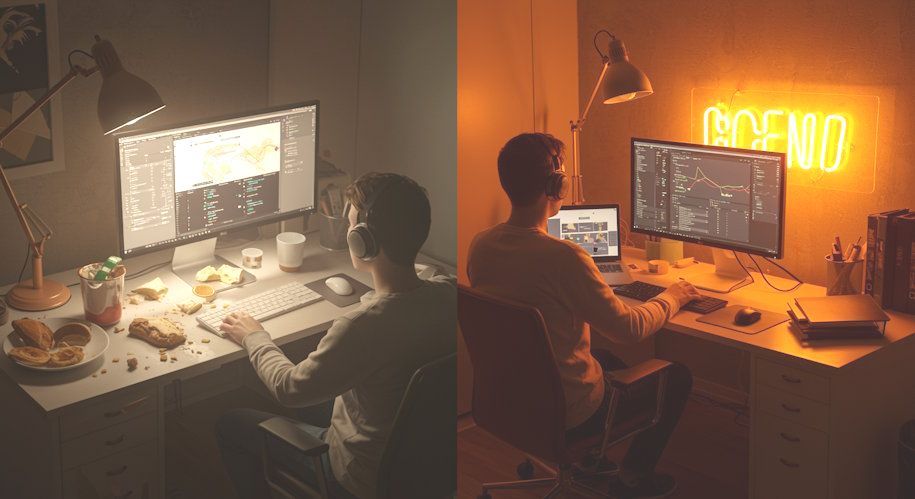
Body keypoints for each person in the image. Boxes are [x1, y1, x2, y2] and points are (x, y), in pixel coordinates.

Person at [467, 132, 699, 498]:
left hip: (510, 399)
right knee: (676, 376)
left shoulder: (481, 244)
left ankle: (588, 460)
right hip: (569, 413)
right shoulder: (565, 258)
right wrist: (674, 296)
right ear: (556, 185)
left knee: (604, 358)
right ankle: (632, 479)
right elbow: (629, 327)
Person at [216, 172, 456, 499]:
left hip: (358, 477)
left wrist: (254, 337)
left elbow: (289, 388)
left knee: (230, 423)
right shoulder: (451, 295)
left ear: (363, 241)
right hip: (426, 468)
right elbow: (433, 279)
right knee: (319, 394)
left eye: (351, 224)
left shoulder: (360, 327)